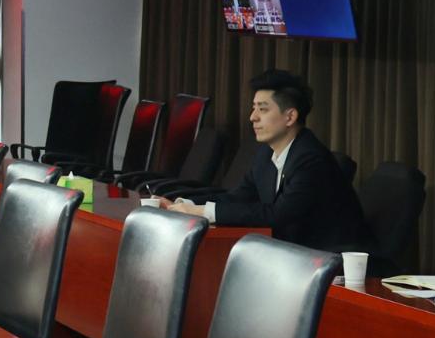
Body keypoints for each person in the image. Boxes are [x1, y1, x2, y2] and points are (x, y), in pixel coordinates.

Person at [143, 68, 372, 255]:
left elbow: (277, 215)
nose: (253, 117)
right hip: (296, 255)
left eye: (262, 109)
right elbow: (237, 197)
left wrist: (201, 212)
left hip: (336, 261)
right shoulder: (265, 154)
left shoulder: (311, 159)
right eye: (254, 108)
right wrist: (182, 204)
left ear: (290, 116)